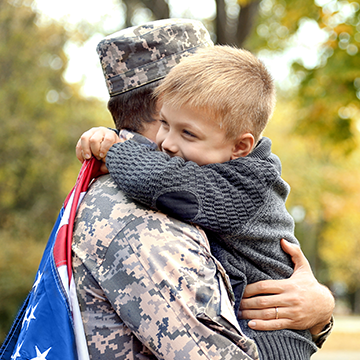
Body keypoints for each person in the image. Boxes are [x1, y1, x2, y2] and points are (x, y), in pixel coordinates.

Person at [74, 19, 334, 360]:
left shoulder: (234, 181)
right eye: (166, 125)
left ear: (239, 144)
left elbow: (163, 180)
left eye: (188, 132)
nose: (169, 144)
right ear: (159, 108)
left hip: (272, 340)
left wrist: (322, 313)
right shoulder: (140, 220)